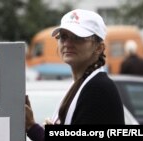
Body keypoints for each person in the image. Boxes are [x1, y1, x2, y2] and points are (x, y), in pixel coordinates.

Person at [26, 9, 125, 141]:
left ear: (99, 48)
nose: (67, 43)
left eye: (78, 37)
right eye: (63, 36)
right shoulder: (85, 83)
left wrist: (32, 128)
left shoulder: (98, 88)